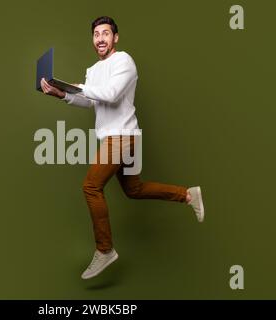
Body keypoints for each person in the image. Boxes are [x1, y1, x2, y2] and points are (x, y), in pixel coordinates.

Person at [40, 16, 205, 280]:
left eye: (106, 33)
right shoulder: (93, 70)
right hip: (113, 138)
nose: (100, 38)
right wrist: (64, 94)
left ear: (115, 38)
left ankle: (104, 250)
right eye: (96, 34)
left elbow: (112, 93)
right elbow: (93, 102)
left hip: (123, 136)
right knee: (134, 189)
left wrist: (81, 87)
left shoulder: (124, 61)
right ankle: (187, 195)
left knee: (91, 187)